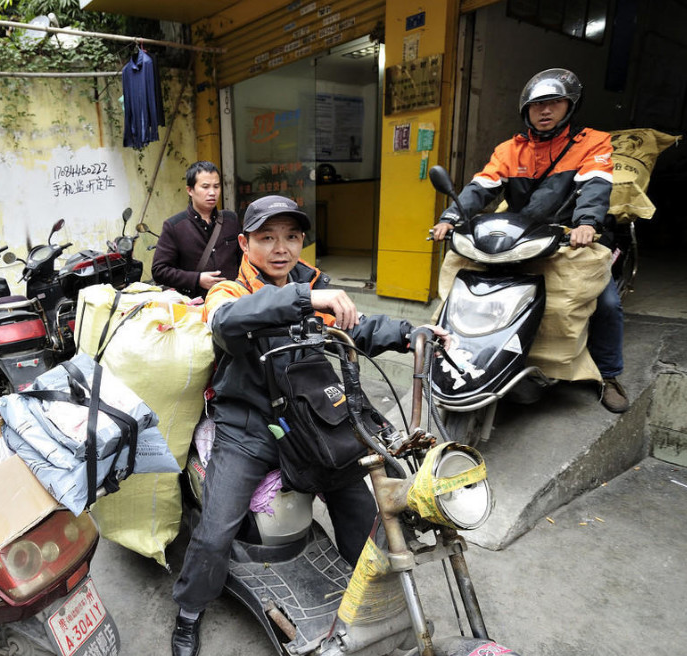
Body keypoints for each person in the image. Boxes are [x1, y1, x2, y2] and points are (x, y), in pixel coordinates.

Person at [170, 195, 449, 656]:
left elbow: (355, 327)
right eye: (267, 238)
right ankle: (189, 610)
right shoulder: (231, 291)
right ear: (244, 243)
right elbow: (226, 323)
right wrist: (303, 299)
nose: (281, 248)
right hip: (249, 427)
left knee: (366, 513)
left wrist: (408, 333)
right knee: (218, 528)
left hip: (312, 420)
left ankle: (372, 602)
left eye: (292, 237)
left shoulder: (313, 283)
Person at [431, 68, 628, 413]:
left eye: (554, 103)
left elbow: (595, 186)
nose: (546, 110)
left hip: (573, 239)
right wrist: (450, 218)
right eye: (537, 105)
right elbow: (482, 188)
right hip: (523, 236)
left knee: (606, 303)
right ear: (526, 111)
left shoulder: (591, 142)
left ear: (570, 106)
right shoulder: (511, 149)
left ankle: (608, 375)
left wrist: (586, 223)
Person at [152, 161, 242, 299]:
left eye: (216, 186)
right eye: (205, 187)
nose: (212, 192)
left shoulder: (231, 220)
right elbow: (159, 271)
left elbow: (245, 259)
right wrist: (196, 279)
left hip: (233, 300)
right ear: (190, 190)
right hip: (195, 306)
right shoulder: (175, 226)